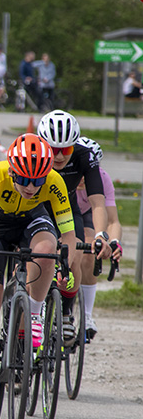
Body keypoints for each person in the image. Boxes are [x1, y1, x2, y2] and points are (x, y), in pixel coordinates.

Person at [0, 133, 76, 411]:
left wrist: (66, 266)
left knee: (47, 250)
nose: (30, 187)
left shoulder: (53, 181)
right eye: (23, 180)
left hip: (32, 220)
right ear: (12, 171)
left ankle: (35, 314)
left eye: (37, 181)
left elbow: (69, 236)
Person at [36, 109, 110, 343]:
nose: (59, 156)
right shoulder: (33, 151)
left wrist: (100, 234)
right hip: (34, 209)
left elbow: (98, 201)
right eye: (53, 150)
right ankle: (23, 308)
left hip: (66, 210)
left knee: (75, 254)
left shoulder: (84, 155)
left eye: (65, 150)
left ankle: (66, 312)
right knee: (29, 257)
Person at [75, 137, 122, 339]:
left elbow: (112, 220)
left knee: (89, 248)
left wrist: (113, 242)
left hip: (88, 212)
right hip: (63, 210)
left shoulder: (102, 178)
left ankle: (86, 316)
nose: (84, 177)